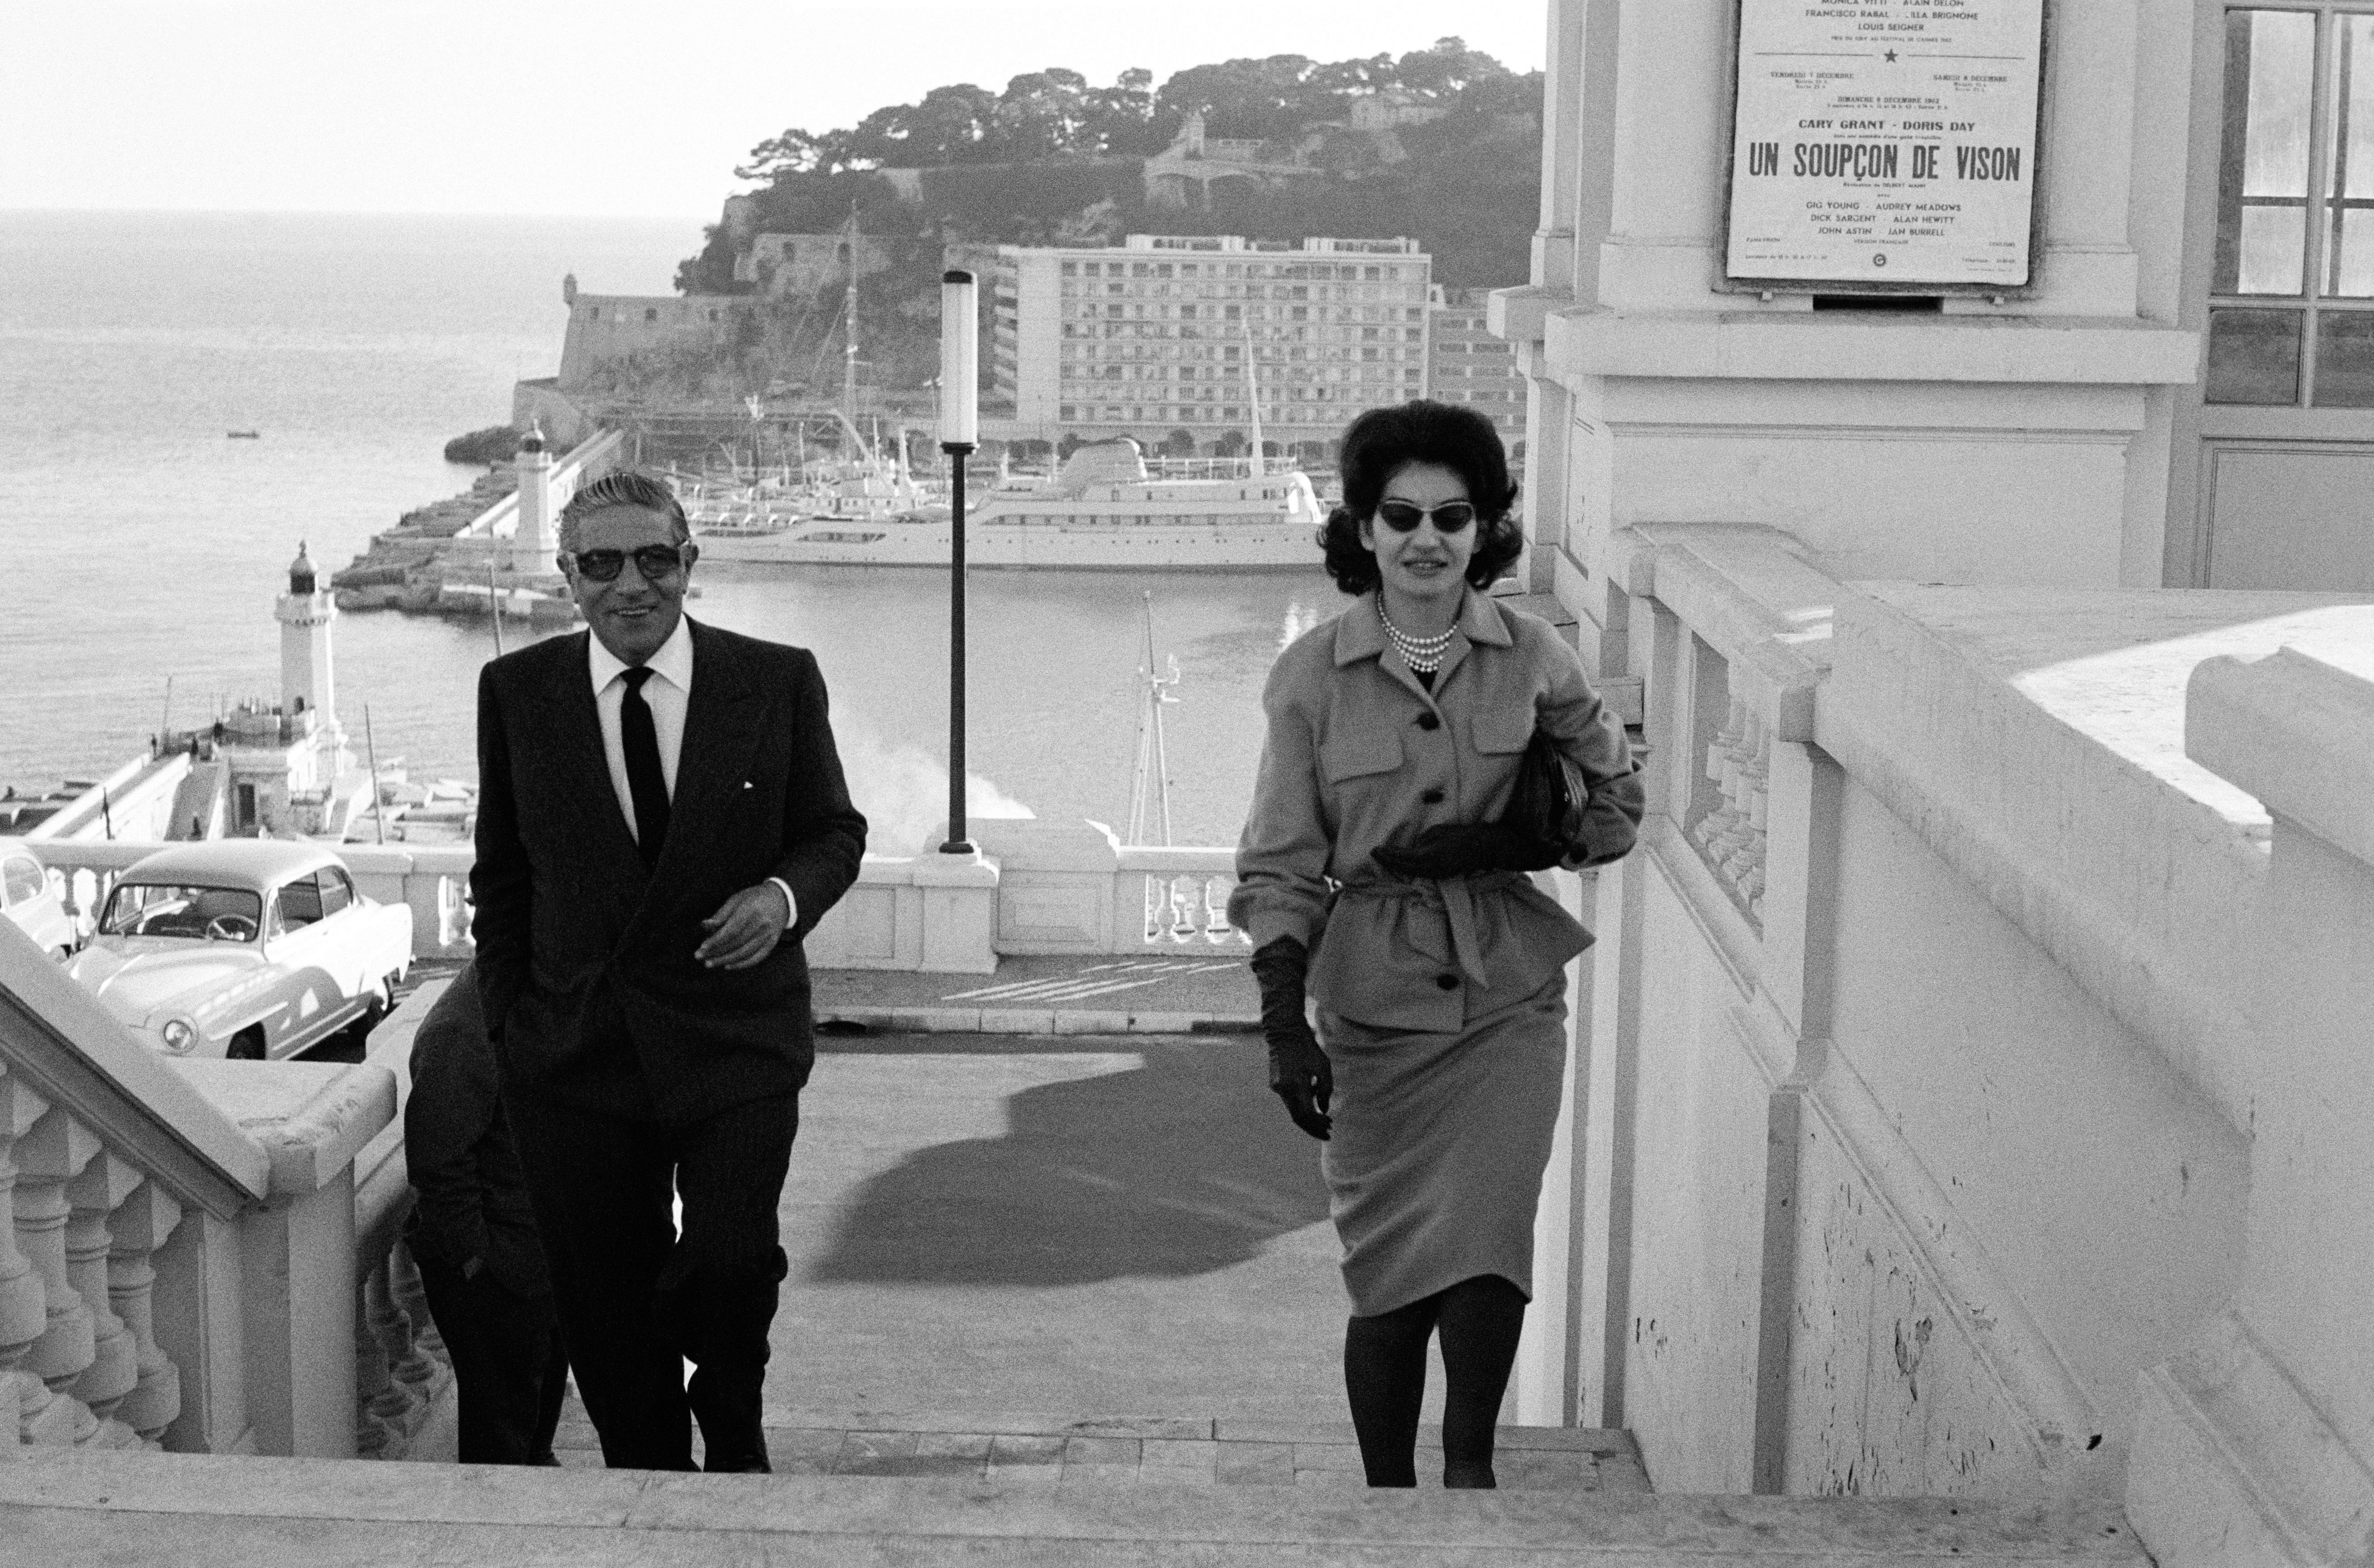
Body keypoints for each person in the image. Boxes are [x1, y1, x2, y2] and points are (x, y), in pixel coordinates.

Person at [1229, 401, 1643, 1489]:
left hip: (1508, 994)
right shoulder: (1308, 679)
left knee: (1488, 1247)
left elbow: (1616, 811)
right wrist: (1282, 1021)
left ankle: (1469, 1480)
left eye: (1452, 515)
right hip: (1371, 1002)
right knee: (1389, 1276)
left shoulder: (1536, 655)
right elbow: (1278, 863)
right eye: (1400, 513)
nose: (1426, 537)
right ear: (1363, 528)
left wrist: (1519, 830)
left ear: (1483, 527)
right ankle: (1385, 1501)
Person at [471, 468, 867, 1473]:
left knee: (732, 1264)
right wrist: (512, 1029)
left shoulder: (774, 680)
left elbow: (830, 830)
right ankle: (649, 1480)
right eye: (600, 564)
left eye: (654, 558)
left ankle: (730, 1403)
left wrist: (780, 900)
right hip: (574, 1055)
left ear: (690, 563)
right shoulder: (516, 692)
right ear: (567, 577)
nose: (629, 585)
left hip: (735, 1036)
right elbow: (503, 875)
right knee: (603, 1300)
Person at [402, 960, 568, 1466]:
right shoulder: (464, 1025)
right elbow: (437, 1162)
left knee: (532, 1435)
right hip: (498, 1275)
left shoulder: (527, 996)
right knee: (500, 1449)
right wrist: (481, 1261)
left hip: (538, 1263)